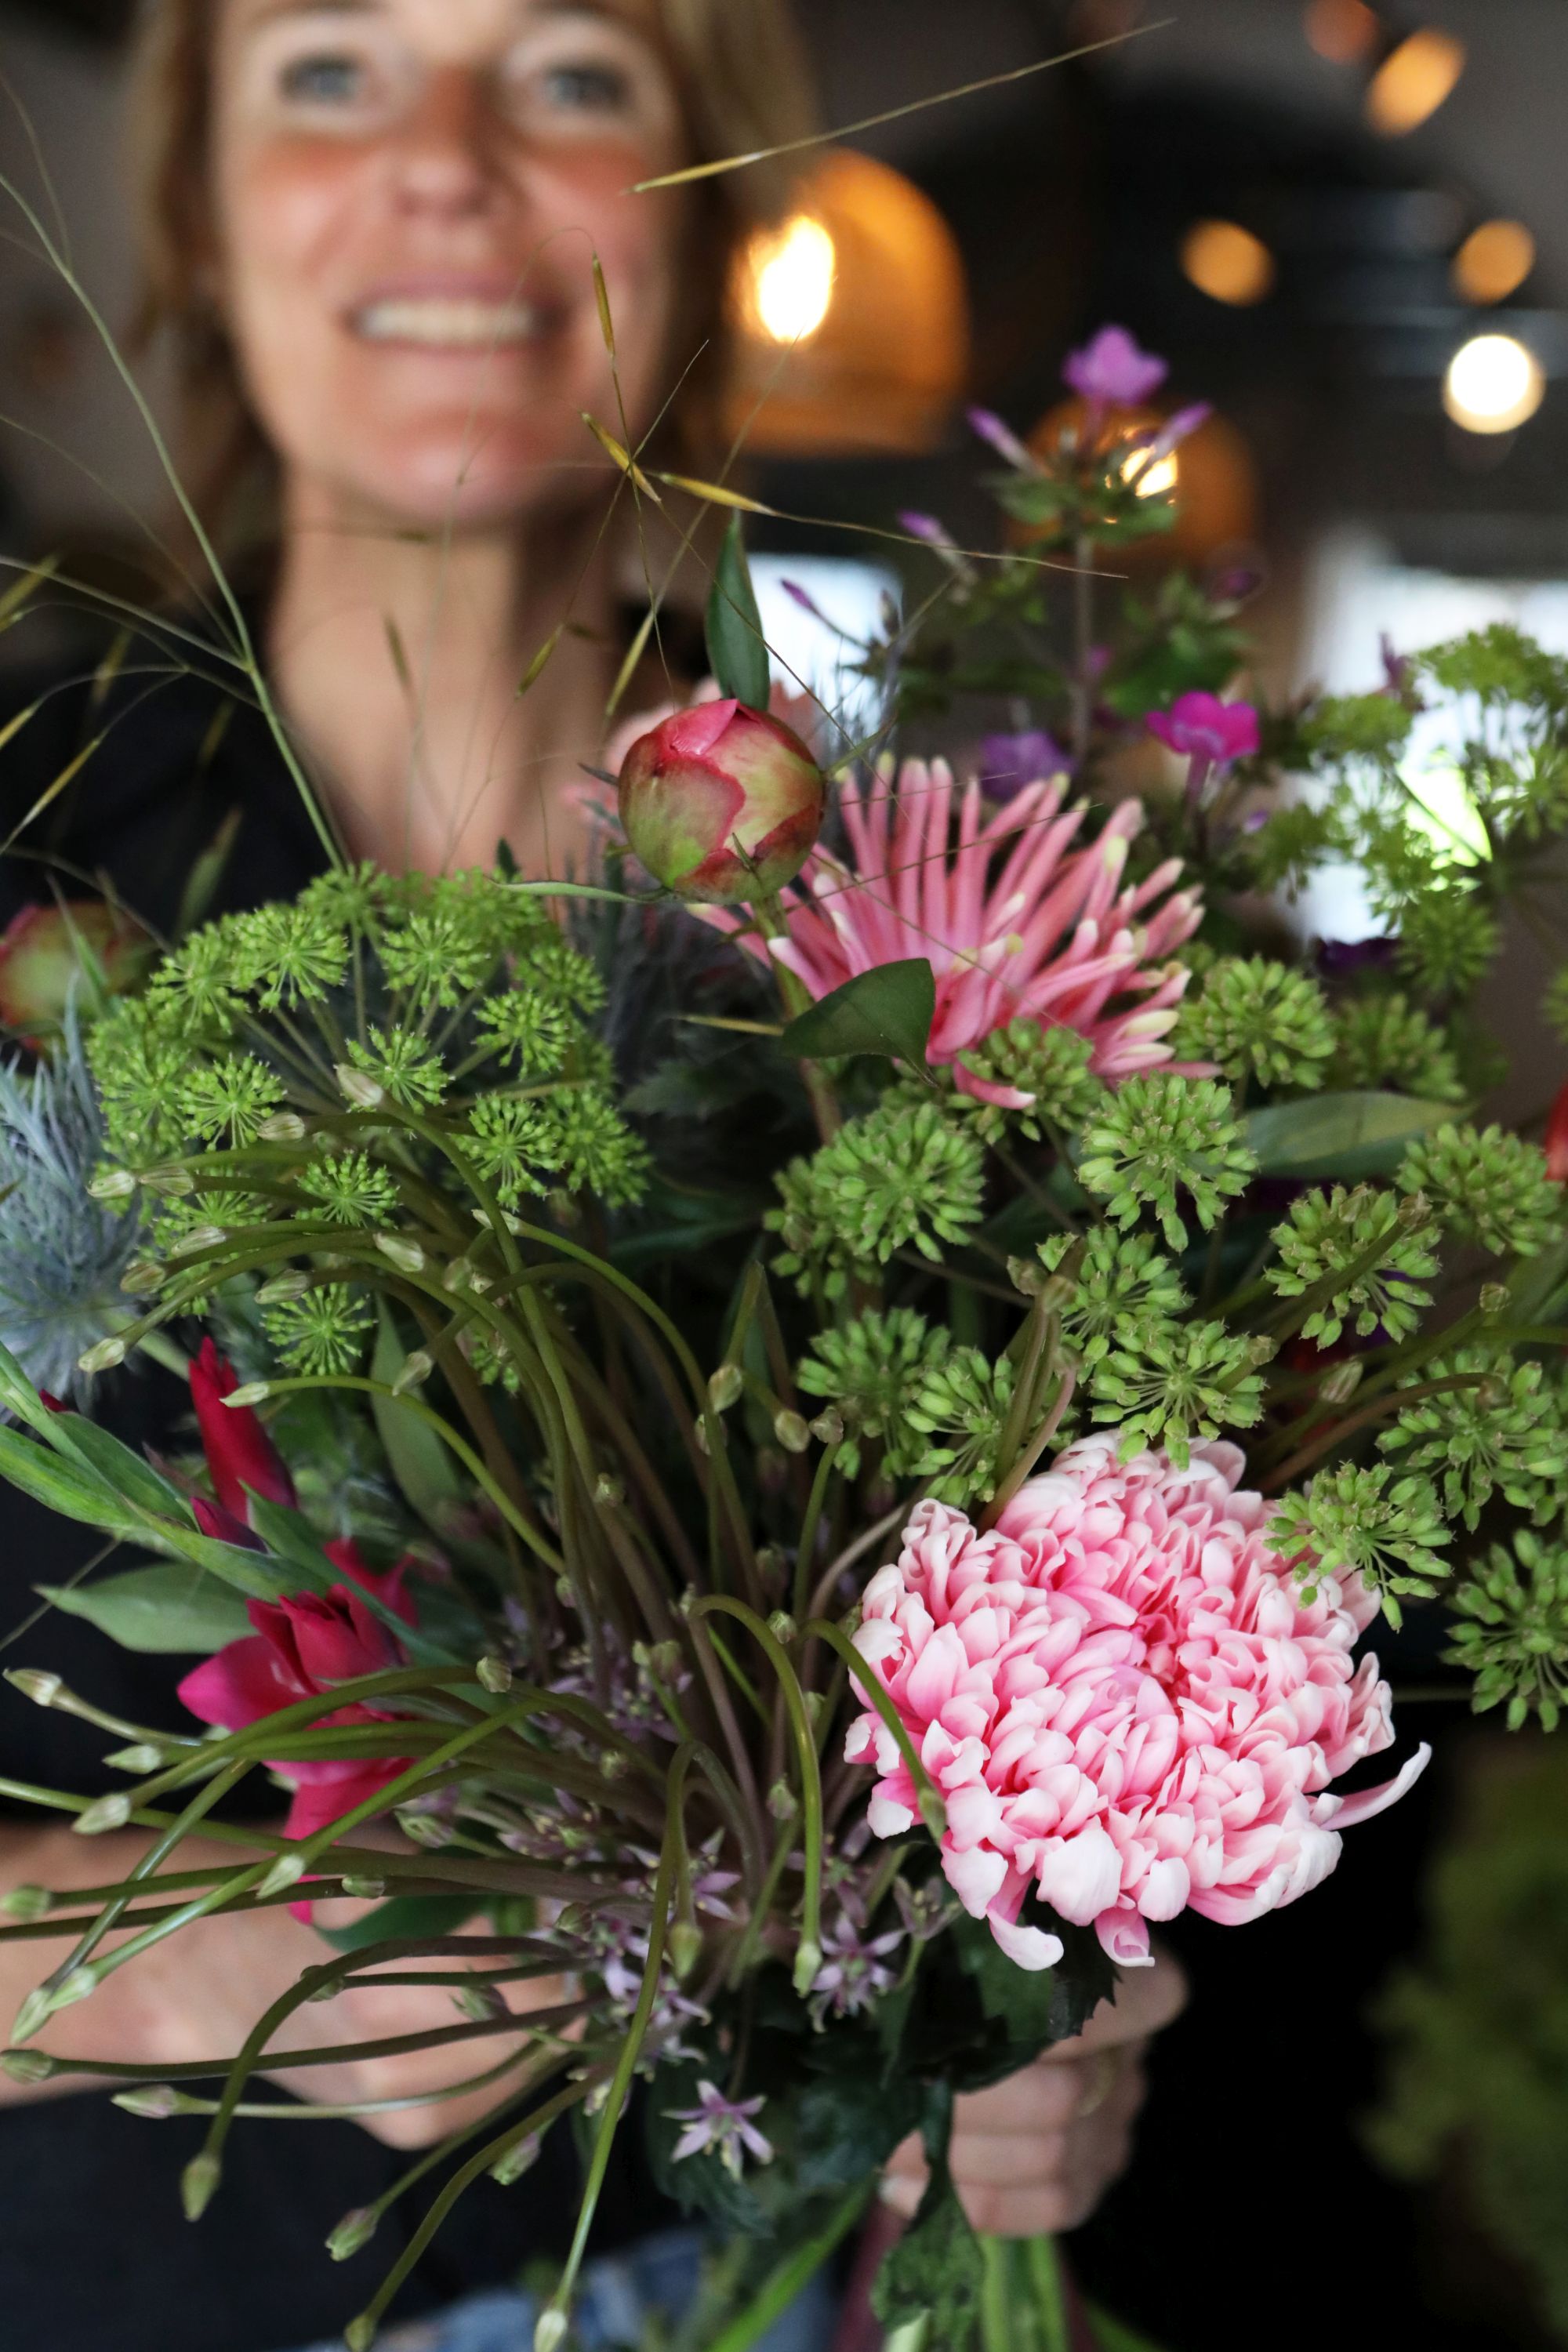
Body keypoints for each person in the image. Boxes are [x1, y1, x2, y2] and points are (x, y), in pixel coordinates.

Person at [0, 4, 1184, 2348]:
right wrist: (178, 1970)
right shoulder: (33, 851)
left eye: (566, 75)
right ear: (200, 224)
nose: (445, 160)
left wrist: (1025, 2046)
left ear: (721, 216)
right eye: (329, 71)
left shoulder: (912, 934)